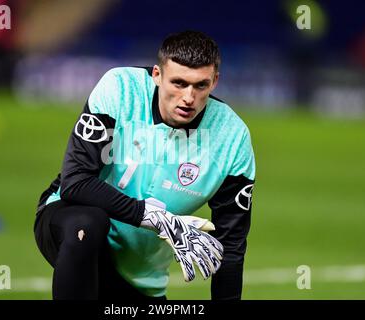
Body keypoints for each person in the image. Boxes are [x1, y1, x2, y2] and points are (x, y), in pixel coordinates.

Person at [34, 30, 256, 300]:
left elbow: (229, 246)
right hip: (70, 228)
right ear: (157, 75)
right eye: (178, 83)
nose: (188, 97)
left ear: (215, 82)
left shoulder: (232, 138)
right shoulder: (120, 89)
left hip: (140, 279)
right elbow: (76, 182)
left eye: (200, 86)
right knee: (88, 224)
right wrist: (155, 219)